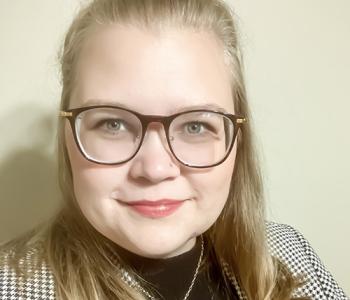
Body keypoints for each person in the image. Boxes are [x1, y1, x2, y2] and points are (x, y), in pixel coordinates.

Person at [0, 0, 348, 299]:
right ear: (68, 136)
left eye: (196, 126)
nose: (154, 168)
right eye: (113, 124)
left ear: (235, 141)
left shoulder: (290, 253)